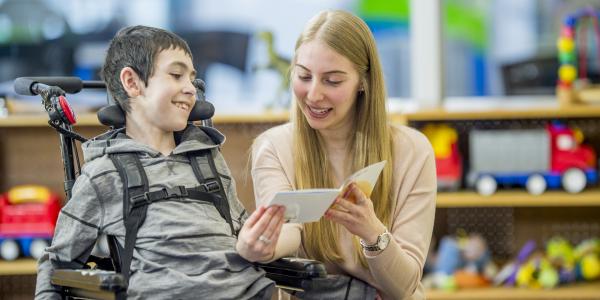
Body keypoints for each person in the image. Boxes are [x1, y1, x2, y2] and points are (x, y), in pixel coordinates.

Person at [35, 25, 285, 300]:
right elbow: (57, 264)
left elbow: (241, 234)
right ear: (131, 82)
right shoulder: (105, 174)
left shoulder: (208, 159)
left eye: (192, 79)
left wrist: (262, 237)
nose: (190, 89)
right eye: (177, 75)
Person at [251, 10, 436, 299]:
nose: (313, 95)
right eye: (303, 76)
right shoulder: (273, 147)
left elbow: (403, 287)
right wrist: (264, 244)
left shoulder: (412, 151)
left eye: (332, 81)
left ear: (363, 82)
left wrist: (371, 231)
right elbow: (289, 230)